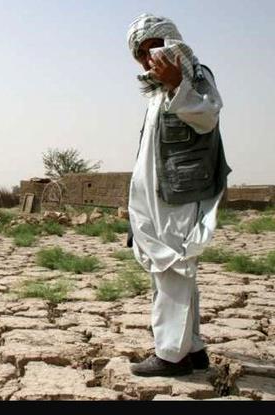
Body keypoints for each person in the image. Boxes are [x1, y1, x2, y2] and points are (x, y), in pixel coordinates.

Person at [126, 13, 231, 377]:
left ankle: (171, 354)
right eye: (139, 52)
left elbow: (207, 117)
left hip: (179, 195)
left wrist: (177, 85)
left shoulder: (195, 77)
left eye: (151, 47)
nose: (145, 57)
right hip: (157, 197)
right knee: (171, 269)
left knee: (173, 265)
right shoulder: (156, 91)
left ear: (169, 43)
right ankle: (193, 348)